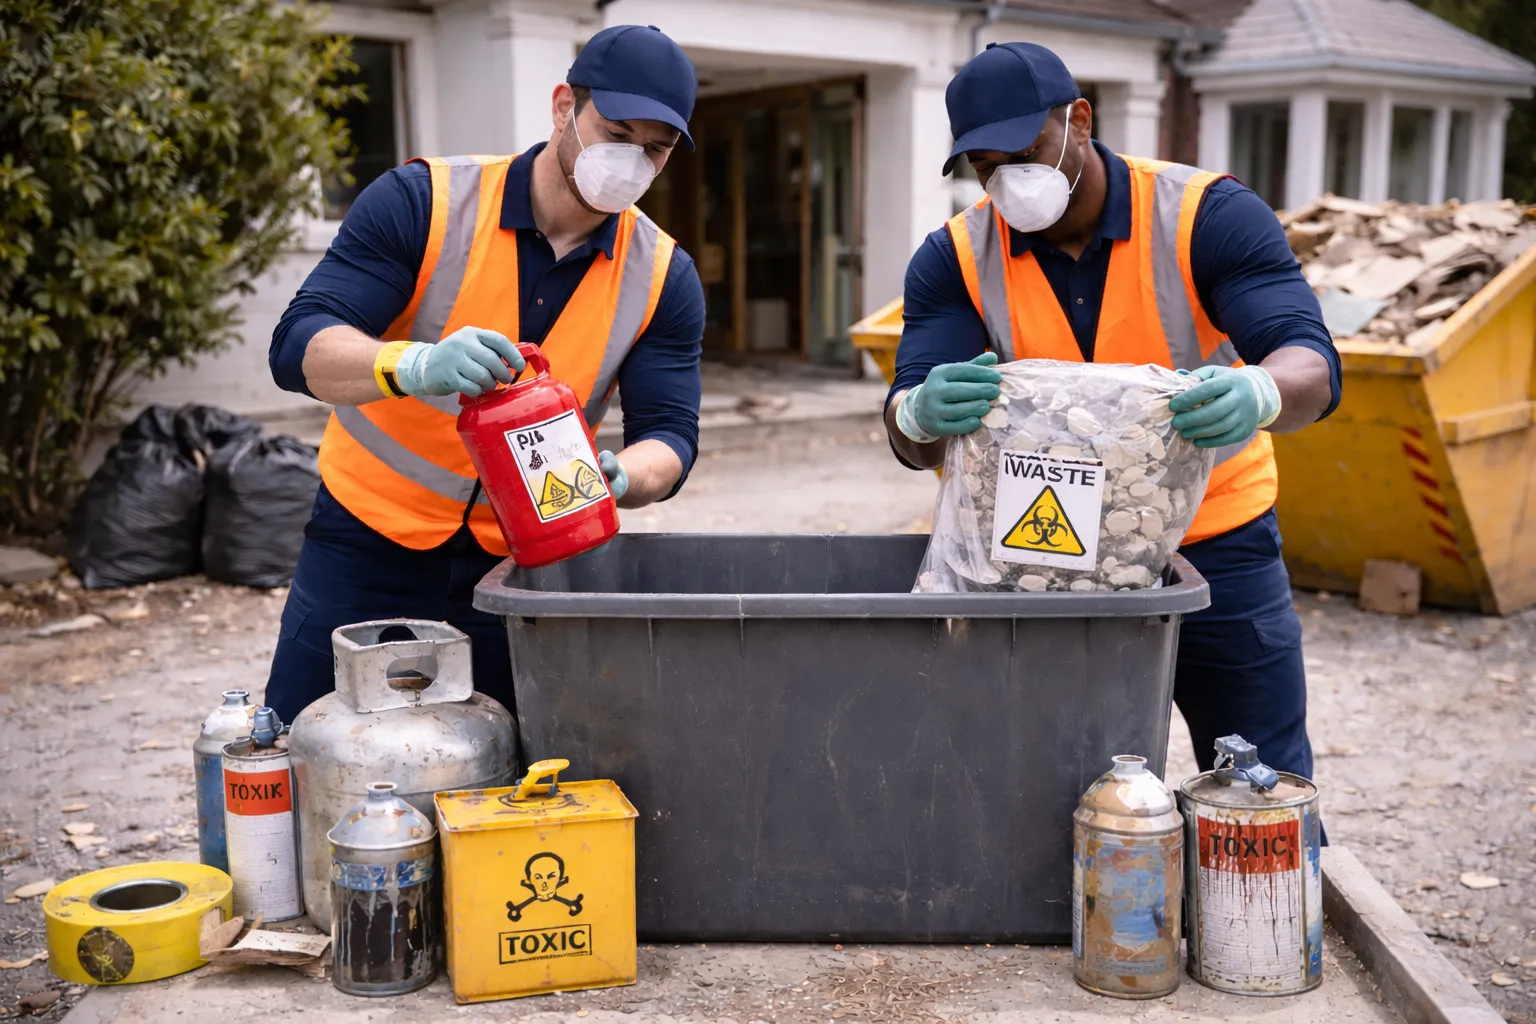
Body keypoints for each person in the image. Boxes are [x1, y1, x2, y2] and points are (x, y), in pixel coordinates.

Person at [885, 42, 1342, 784]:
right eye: (986, 165)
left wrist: (1262, 391)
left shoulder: (1205, 216)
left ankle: (1271, 901)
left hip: (1216, 539)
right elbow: (911, 419)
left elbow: (1309, 360)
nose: (1010, 180)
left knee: (1257, 774)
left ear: (1079, 120)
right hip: (1041, 558)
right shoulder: (956, 258)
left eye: (1026, 150)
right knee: (1051, 777)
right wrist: (915, 416)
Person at [264, 25, 704, 723]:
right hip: (367, 540)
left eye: (654, 150)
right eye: (617, 133)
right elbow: (299, 346)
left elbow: (671, 435)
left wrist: (624, 477)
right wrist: (412, 362)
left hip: (522, 564)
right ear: (564, 107)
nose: (631, 163)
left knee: (509, 779)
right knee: (312, 744)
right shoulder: (425, 203)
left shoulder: (662, 278)